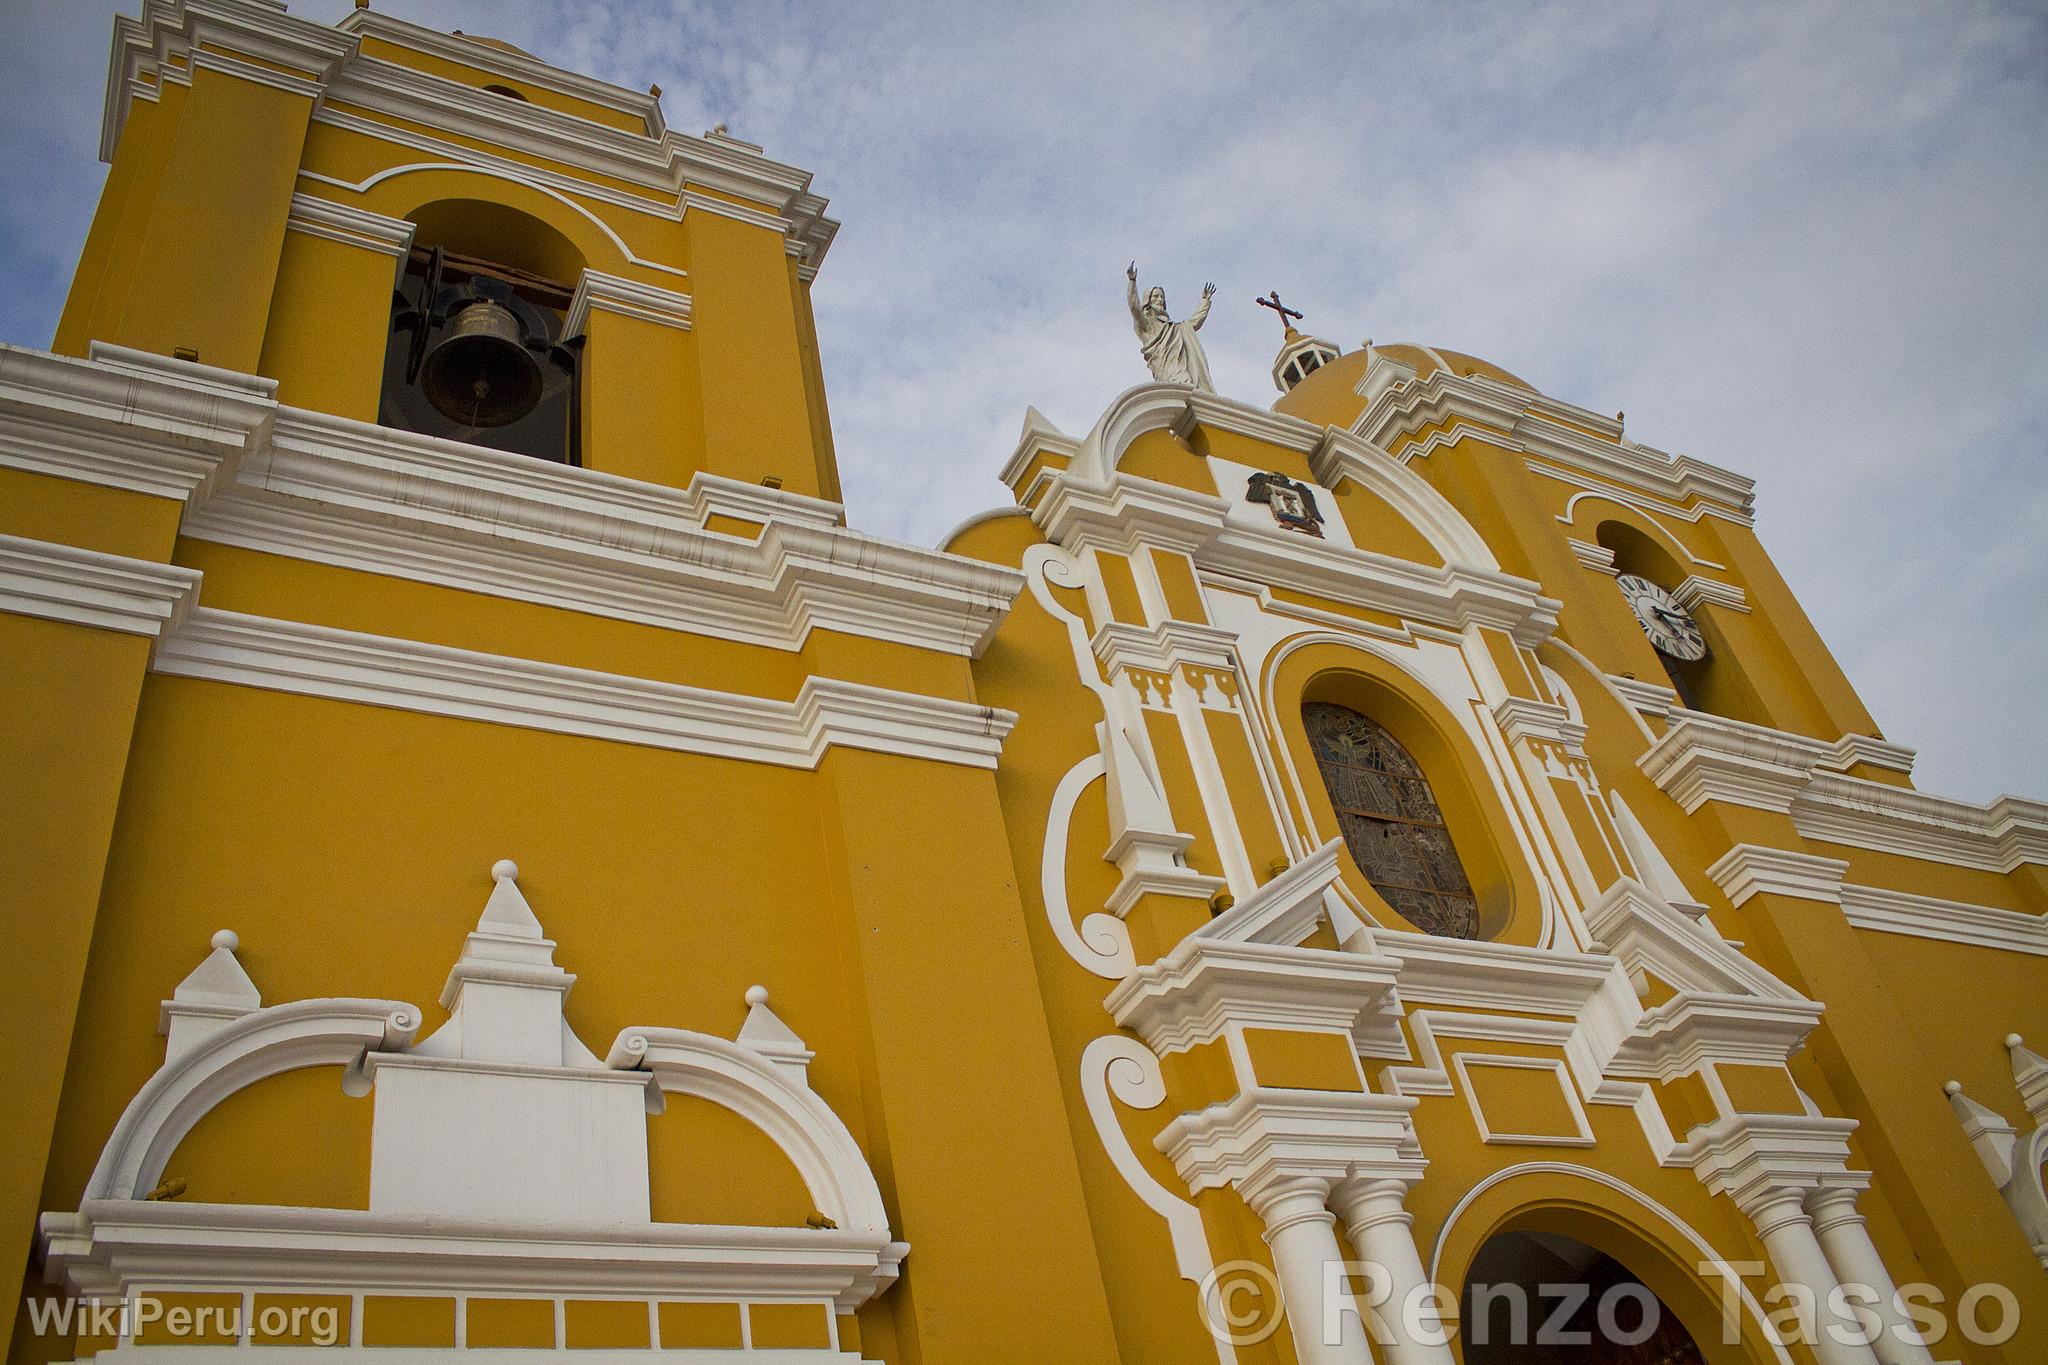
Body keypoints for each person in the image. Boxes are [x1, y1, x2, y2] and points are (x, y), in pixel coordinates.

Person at [1126, 262, 1216, 391]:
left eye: (1162, 297)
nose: (1160, 300)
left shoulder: (1176, 328)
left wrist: (1205, 301)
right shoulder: (1147, 325)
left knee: (1187, 386)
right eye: (1156, 296)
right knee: (1179, 390)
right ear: (1148, 301)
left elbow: (1194, 322)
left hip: (1180, 368)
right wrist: (1132, 282)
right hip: (1164, 368)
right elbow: (1134, 308)